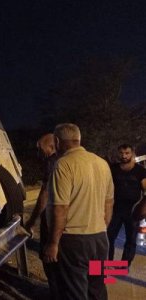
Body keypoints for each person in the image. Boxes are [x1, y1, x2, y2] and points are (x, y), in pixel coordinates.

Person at [43, 123, 114, 300]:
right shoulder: (102, 163)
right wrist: (101, 227)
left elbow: (60, 208)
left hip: (74, 242)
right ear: (78, 139)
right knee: (97, 287)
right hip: (100, 240)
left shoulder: (63, 165)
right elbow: (109, 203)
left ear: (58, 141)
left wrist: (53, 243)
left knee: (75, 291)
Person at [24, 133, 59, 299]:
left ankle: (56, 292)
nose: (39, 153)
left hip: (53, 218)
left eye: (41, 149)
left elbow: (44, 194)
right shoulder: (89, 163)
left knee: (49, 257)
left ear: (51, 147)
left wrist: (31, 221)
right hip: (91, 231)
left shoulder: (52, 162)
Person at [107, 144, 146, 265]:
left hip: (132, 210)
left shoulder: (140, 171)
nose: (124, 156)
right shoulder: (113, 169)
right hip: (115, 208)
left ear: (132, 153)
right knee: (108, 237)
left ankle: (124, 265)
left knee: (130, 239)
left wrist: (142, 209)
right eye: (121, 153)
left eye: (127, 153)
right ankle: (107, 263)